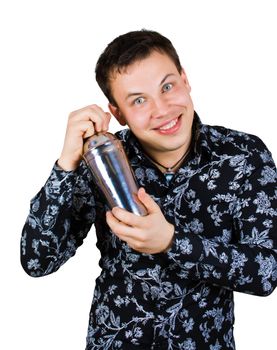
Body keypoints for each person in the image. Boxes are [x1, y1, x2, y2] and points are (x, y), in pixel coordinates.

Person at [21, 29, 277, 349]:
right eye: (139, 100)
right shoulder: (103, 159)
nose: (162, 109)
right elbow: (37, 261)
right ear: (118, 113)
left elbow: (266, 271)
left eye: (167, 86)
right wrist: (65, 165)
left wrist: (171, 242)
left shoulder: (243, 155)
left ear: (185, 80)